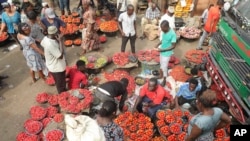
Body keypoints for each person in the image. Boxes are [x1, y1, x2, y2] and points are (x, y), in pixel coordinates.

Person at [41, 26, 67, 93]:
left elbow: (42, 43)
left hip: (53, 65)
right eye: (57, 32)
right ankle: (62, 96)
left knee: (61, 81)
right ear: (54, 34)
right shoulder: (50, 44)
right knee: (60, 84)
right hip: (56, 67)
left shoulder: (45, 38)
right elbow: (60, 56)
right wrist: (60, 41)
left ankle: (64, 92)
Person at [154, 20, 176, 86]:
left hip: (167, 53)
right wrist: (157, 44)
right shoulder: (164, 31)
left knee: (165, 67)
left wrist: (163, 50)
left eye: (163, 29)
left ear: (167, 27)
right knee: (161, 64)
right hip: (162, 51)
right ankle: (160, 75)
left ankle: (164, 80)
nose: (162, 30)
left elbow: (173, 46)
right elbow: (163, 40)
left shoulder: (172, 34)